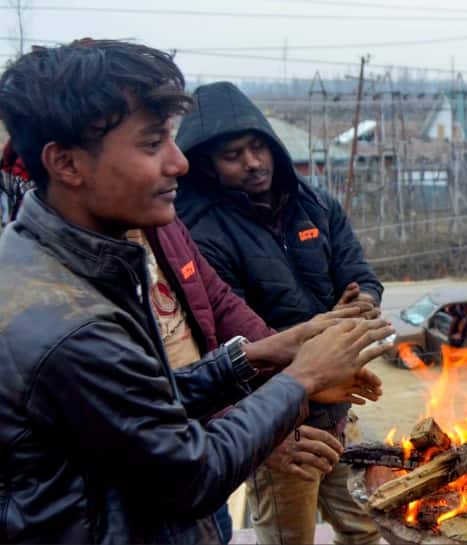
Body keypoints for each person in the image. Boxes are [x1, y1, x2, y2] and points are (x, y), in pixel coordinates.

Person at [0, 39, 393, 543]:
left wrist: (257, 356)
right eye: (151, 144)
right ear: (67, 164)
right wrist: (300, 378)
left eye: (171, 140)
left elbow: (142, 405)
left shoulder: (65, 261)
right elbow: (190, 472)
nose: (178, 163)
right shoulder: (70, 319)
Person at [175, 81, 384, 545]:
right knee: (290, 537)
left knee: (367, 526)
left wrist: (362, 305)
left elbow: (360, 273)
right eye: (234, 155)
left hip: (339, 407)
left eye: (258, 147)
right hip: (276, 422)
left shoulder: (314, 203)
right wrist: (275, 423)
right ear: (207, 163)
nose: (252, 163)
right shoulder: (202, 233)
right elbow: (230, 336)